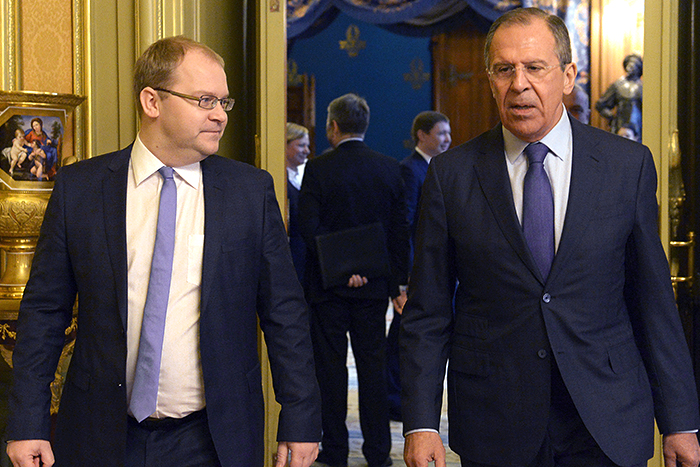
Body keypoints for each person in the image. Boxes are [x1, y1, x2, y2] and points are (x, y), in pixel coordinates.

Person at [400, 8, 700, 467]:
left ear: (568, 76)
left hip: (608, 416)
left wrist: (680, 420)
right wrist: (421, 424)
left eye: (535, 67)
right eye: (504, 69)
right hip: (495, 418)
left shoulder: (627, 166)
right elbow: (428, 312)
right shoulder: (450, 175)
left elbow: (652, 301)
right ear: (490, 80)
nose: (519, 84)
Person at [6, 35, 321, 467]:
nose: (219, 115)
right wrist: (27, 422)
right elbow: (44, 312)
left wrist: (301, 418)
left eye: (224, 102)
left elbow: (284, 313)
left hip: (213, 438)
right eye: (205, 100)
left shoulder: (249, 192)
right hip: (101, 433)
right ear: (152, 101)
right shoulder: (80, 189)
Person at [299, 93, 409, 467]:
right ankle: (378, 452)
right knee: (373, 370)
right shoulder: (390, 168)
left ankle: (335, 450)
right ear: (365, 125)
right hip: (374, 288)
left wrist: (343, 269)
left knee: (330, 372)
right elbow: (399, 232)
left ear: (333, 126)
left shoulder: (317, 169)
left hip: (327, 288)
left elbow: (308, 228)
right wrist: (395, 283)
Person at [386, 111, 451, 421]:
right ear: (422, 135)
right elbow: (406, 224)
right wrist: (408, 272)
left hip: (437, 265)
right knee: (405, 332)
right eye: (441, 133)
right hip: (416, 267)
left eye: (448, 133)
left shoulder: (441, 167)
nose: (447, 139)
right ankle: (394, 396)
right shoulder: (410, 169)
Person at [286, 122, 311, 283]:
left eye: (307, 146)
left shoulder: (309, 173)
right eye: (301, 145)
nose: (307, 151)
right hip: (291, 254)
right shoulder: (277, 177)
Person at [595, 53, 643, 136]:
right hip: (621, 129)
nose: (630, 67)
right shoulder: (618, 85)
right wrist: (613, 117)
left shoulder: (643, 87)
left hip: (639, 129)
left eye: (634, 65)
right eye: (629, 64)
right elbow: (600, 105)